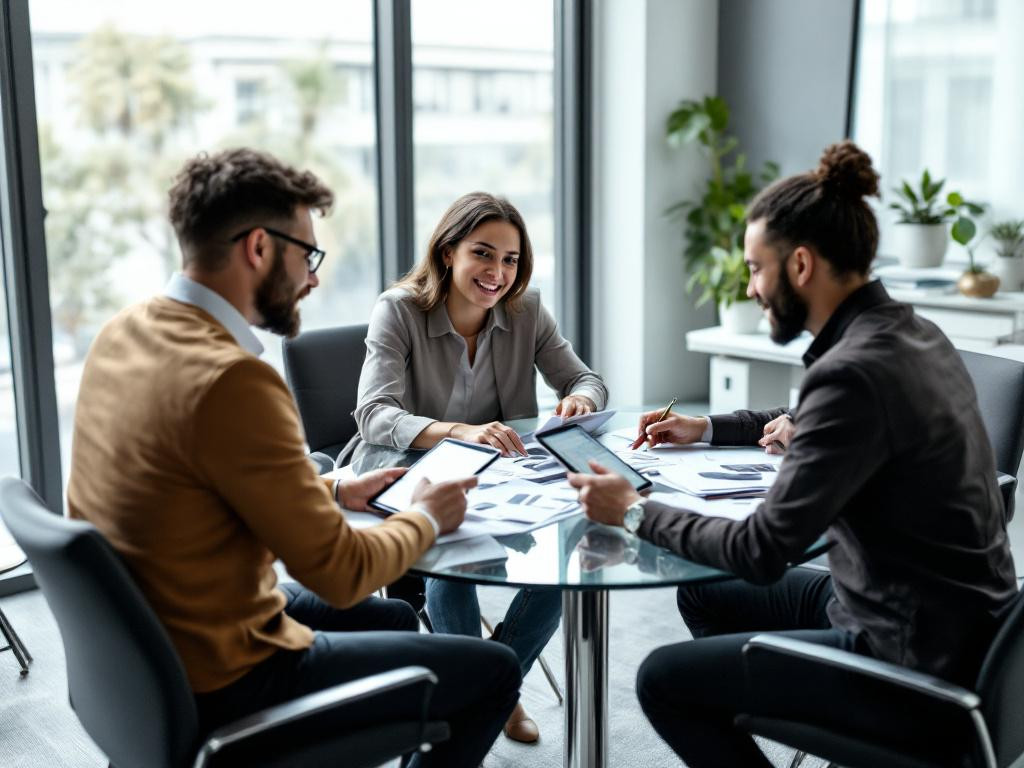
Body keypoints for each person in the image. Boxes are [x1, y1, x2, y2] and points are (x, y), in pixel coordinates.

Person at [567, 140, 1017, 767]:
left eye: (756, 268)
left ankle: (837, 717)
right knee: (704, 595)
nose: (750, 288)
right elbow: (801, 419)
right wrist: (705, 428)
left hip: (907, 661)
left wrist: (635, 509)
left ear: (800, 265)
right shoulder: (909, 332)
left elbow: (760, 551)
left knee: (664, 679)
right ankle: (794, 706)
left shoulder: (852, 373)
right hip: (955, 625)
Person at [66, 148, 521, 768]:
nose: (312, 278)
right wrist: (425, 518)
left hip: (146, 647)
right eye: (307, 254)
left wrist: (333, 491)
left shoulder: (125, 330)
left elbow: (196, 484)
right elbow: (339, 571)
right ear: (259, 247)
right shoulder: (236, 381)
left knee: (389, 618)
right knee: (493, 671)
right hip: (231, 671)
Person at [354, 191, 608, 742]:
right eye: (483, 254)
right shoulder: (398, 309)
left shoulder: (526, 310)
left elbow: (586, 379)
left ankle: (492, 687)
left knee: (563, 571)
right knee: (451, 571)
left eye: (510, 260)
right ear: (449, 253)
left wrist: (580, 401)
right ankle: (493, 696)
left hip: (502, 474)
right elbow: (374, 415)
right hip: (406, 467)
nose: (497, 273)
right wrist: (458, 431)